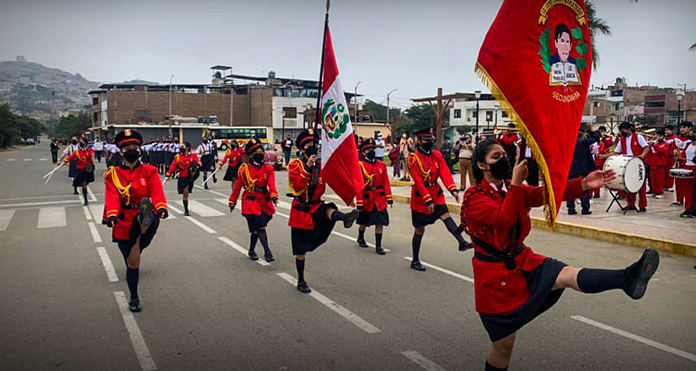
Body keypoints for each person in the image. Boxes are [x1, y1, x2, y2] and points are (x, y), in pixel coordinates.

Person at [461, 138, 659, 371]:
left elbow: (542, 195)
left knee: (566, 274)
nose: (502, 160)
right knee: (503, 349)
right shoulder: (474, 197)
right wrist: (515, 183)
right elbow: (502, 219)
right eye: (496, 157)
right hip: (495, 280)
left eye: (503, 155)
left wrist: (583, 184)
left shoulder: (510, 188)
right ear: (482, 165)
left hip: (523, 261)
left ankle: (627, 278)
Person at [103, 129, 168, 313]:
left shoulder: (150, 171)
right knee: (132, 262)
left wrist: (161, 206)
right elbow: (112, 196)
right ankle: (134, 297)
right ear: (121, 151)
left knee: (145, 208)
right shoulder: (113, 174)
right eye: (127, 147)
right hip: (123, 220)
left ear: (140, 149)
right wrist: (112, 214)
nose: (132, 149)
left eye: (135, 146)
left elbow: (156, 190)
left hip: (144, 215)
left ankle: (143, 222)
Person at [288, 129, 359, 293]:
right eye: (308, 145)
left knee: (328, 208)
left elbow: (336, 180)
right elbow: (297, 187)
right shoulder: (295, 165)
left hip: (315, 205)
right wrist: (308, 166)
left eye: (313, 144)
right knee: (301, 251)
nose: (311, 147)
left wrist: (349, 197)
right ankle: (301, 280)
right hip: (301, 209)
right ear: (301, 148)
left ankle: (346, 217)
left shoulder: (321, 166)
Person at [407, 127, 472, 271]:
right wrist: (427, 200)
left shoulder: (437, 155)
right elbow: (418, 181)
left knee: (445, 215)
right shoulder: (413, 159)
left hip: (436, 192)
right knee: (419, 230)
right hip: (420, 197)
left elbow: (445, 173)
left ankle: (461, 242)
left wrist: (453, 189)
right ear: (418, 141)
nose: (429, 142)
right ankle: (415, 260)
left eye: (431, 140)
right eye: (426, 140)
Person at [228, 139, 279, 262]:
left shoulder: (268, 169)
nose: (260, 153)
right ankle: (268, 252)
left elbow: (272, 184)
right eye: (257, 151)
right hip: (250, 201)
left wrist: (274, 195)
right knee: (260, 226)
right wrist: (232, 201)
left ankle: (251, 250)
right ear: (251, 154)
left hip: (264, 201)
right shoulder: (244, 169)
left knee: (256, 229)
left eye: (261, 151)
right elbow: (238, 187)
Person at [355, 138, 393, 255]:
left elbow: (385, 182)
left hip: (379, 199)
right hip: (367, 198)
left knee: (380, 222)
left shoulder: (381, 165)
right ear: (363, 152)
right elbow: (358, 186)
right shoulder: (360, 166)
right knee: (364, 222)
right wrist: (359, 202)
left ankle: (378, 245)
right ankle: (360, 237)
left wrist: (389, 197)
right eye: (368, 150)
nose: (371, 151)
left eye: (372, 149)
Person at [614, 122, 649, 212]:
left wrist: (642, 155)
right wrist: (604, 156)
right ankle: (630, 204)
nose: (622, 132)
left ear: (629, 129)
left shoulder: (638, 137)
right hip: (627, 164)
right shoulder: (622, 140)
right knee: (628, 184)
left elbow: (646, 148)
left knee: (641, 185)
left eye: (623, 130)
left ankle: (642, 206)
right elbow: (617, 152)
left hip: (638, 163)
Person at [566, 129, 598, 215]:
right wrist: (591, 130)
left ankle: (571, 208)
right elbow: (596, 137)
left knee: (570, 188)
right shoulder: (583, 143)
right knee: (584, 188)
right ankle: (585, 209)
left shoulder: (568, 143)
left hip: (571, 169)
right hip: (582, 170)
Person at [166, 142, 201, 216]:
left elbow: (198, 162)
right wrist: (168, 174)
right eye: (181, 146)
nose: (181, 147)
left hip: (190, 175)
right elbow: (173, 166)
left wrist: (197, 163)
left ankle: (186, 209)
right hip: (183, 176)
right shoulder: (178, 157)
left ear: (188, 148)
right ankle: (186, 209)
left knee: (187, 191)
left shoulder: (193, 155)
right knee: (185, 193)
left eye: (183, 146)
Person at [63, 139, 95, 205]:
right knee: (84, 184)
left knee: (86, 183)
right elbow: (70, 157)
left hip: (88, 170)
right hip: (81, 170)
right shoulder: (77, 152)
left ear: (86, 143)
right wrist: (65, 161)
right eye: (80, 142)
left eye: (82, 142)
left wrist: (92, 163)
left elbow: (92, 156)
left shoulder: (89, 150)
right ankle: (85, 200)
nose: (81, 143)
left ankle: (85, 196)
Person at [674, 121, 694, 207]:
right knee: (678, 183)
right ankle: (679, 199)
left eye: (684, 127)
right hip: (680, 164)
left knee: (689, 187)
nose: (682, 129)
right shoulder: (677, 139)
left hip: (688, 164)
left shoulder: (691, 140)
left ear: (690, 129)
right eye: (681, 127)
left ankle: (689, 204)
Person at [647, 129, 670, 199]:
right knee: (652, 179)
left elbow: (661, 150)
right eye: (657, 135)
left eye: (659, 136)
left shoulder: (665, 144)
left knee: (659, 180)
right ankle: (653, 191)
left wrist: (654, 145)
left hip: (660, 164)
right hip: (652, 164)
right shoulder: (655, 143)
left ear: (663, 136)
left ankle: (659, 192)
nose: (657, 137)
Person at [677, 132, 695, 217]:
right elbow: (683, 154)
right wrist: (680, 159)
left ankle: (693, 209)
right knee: (687, 190)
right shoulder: (688, 144)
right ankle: (688, 208)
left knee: (693, 190)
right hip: (687, 167)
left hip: (695, 168)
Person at [592, 126, 613, 198]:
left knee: (607, 175)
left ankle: (607, 185)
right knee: (596, 176)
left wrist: (604, 138)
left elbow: (610, 144)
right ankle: (596, 192)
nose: (601, 132)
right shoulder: (595, 138)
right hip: (597, 160)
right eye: (600, 131)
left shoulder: (607, 138)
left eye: (603, 131)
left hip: (605, 160)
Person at [664, 125, 678, 192]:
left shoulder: (675, 138)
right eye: (666, 130)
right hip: (664, 157)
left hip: (671, 157)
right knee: (664, 172)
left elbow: (677, 147)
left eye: (668, 130)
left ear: (672, 131)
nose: (666, 131)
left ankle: (669, 186)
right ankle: (664, 186)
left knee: (670, 172)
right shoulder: (664, 138)